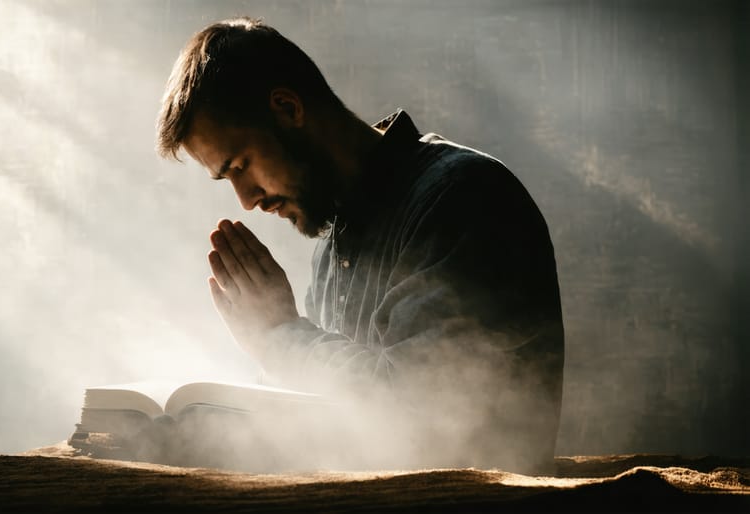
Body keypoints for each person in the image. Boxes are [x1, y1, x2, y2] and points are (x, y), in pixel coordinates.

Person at [156, 17, 564, 474]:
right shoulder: (332, 248)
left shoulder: (466, 196)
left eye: (240, 165)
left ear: (288, 108)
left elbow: (417, 419)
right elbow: (331, 427)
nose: (247, 200)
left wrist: (280, 334)